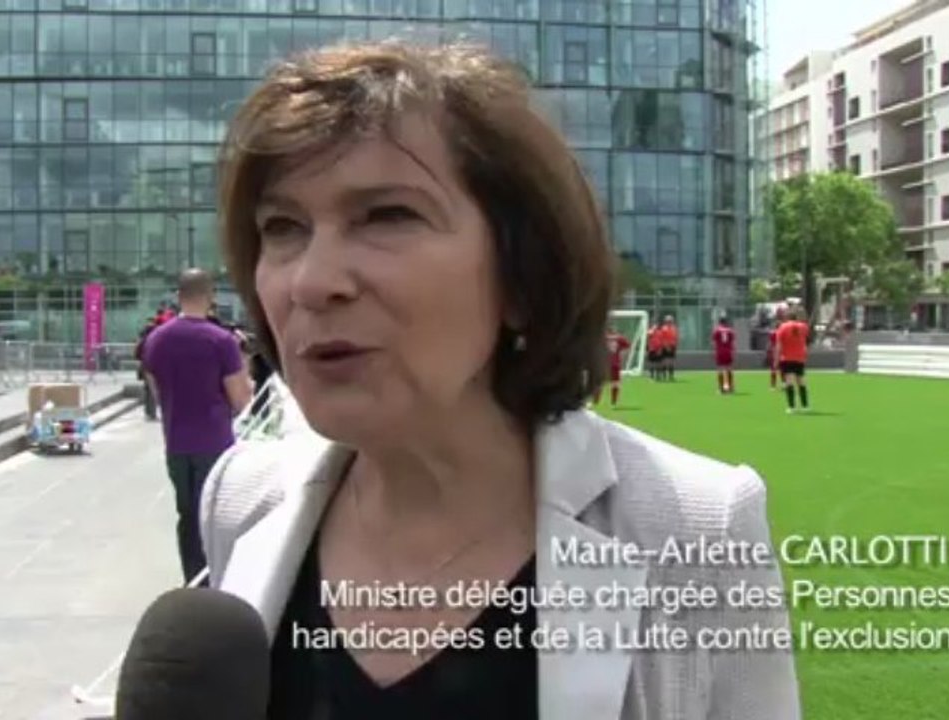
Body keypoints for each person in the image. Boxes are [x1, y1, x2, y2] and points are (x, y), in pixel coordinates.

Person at [200, 41, 800, 719]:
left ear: (520, 273)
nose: (310, 282)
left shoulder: (697, 528)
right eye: (282, 227)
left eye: (387, 215)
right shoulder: (239, 500)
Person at [142, 269, 253, 585]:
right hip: (215, 442)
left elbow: (157, 391)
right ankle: (218, 577)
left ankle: (193, 579)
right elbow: (241, 399)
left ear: (179, 296)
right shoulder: (221, 340)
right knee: (216, 517)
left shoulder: (156, 340)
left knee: (187, 516)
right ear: (210, 297)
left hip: (177, 442)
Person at [133, 312, 170, 421]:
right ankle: (153, 412)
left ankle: (149, 413)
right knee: (154, 389)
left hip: (145, 365)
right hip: (154, 366)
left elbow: (137, 353)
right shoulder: (157, 336)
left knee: (148, 390)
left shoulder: (143, 337)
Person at [777, 307, 811, 413]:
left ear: (787, 317)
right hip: (799, 357)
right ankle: (805, 406)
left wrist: (776, 358)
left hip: (787, 357)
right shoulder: (804, 327)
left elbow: (779, 345)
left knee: (789, 382)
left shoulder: (782, 327)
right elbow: (805, 342)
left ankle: (792, 407)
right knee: (801, 381)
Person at [594, 328, 631, 408]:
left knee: (599, 383)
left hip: (603, 363)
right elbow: (627, 346)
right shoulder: (619, 338)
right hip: (614, 363)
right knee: (615, 383)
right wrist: (621, 354)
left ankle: (595, 402)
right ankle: (613, 403)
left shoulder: (602, 338)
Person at [712, 316, 736, 394]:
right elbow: (733, 342)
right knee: (729, 368)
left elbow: (714, 343)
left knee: (720, 369)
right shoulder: (730, 331)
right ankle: (730, 388)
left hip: (720, 352)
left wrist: (714, 351)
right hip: (728, 352)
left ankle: (721, 388)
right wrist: (733, 352)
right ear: (726, 322)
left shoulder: (716, 331)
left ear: (719, 322)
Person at [657, 315, 679, 380]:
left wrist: (675, 345)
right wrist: (666, 346)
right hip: (666, 346)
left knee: (671, 361)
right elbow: (663, 338)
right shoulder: (664, 328)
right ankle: (664, 376)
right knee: (665, 361)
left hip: (672, 346)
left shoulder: (674, 328)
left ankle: (671, 376)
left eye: (671, 321)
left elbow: (675, 337)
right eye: (669, 321)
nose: (670, 322)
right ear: (666, 321)